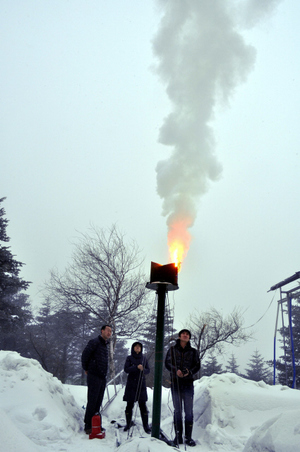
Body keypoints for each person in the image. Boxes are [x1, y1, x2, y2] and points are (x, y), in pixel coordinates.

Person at [165, 329, 200, 447]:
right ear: (179, 336)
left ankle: (188, 437)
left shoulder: (194, 351)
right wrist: (176, 371)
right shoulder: (172, 350)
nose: (185, 335)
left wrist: (188, 372)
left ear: (189, 338)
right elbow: (167, 363)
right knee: (177, 411)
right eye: (183, 334)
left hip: (188, 384)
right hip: (175, 383)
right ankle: (178, 436)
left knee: (189, 412)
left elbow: (197, 365)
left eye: (187, 334)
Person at [81, 324, 112, 434]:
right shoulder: (95, 342)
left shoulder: (105, 345)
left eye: (110, 331)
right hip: (94, 375)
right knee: (92, 400)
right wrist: (86, 368)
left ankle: (96, 424)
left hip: (102, 377)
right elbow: (85, 355)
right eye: (107, 330)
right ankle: (88, 425)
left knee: (98, 401)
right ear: (102, 330)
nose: (109, 333)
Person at [123, 341, 151, 434]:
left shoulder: (144, 358)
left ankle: (146, 426)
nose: (138, 348)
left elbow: (148, 370)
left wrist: (143, 369)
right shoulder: (129, 358)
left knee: (143, 406)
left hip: (141, 384)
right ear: (133, 348)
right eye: (136, 346)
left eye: (139, 346)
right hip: (131, 384)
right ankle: (128, 423)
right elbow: (126, 369)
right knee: (129, 405)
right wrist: (136, 367)